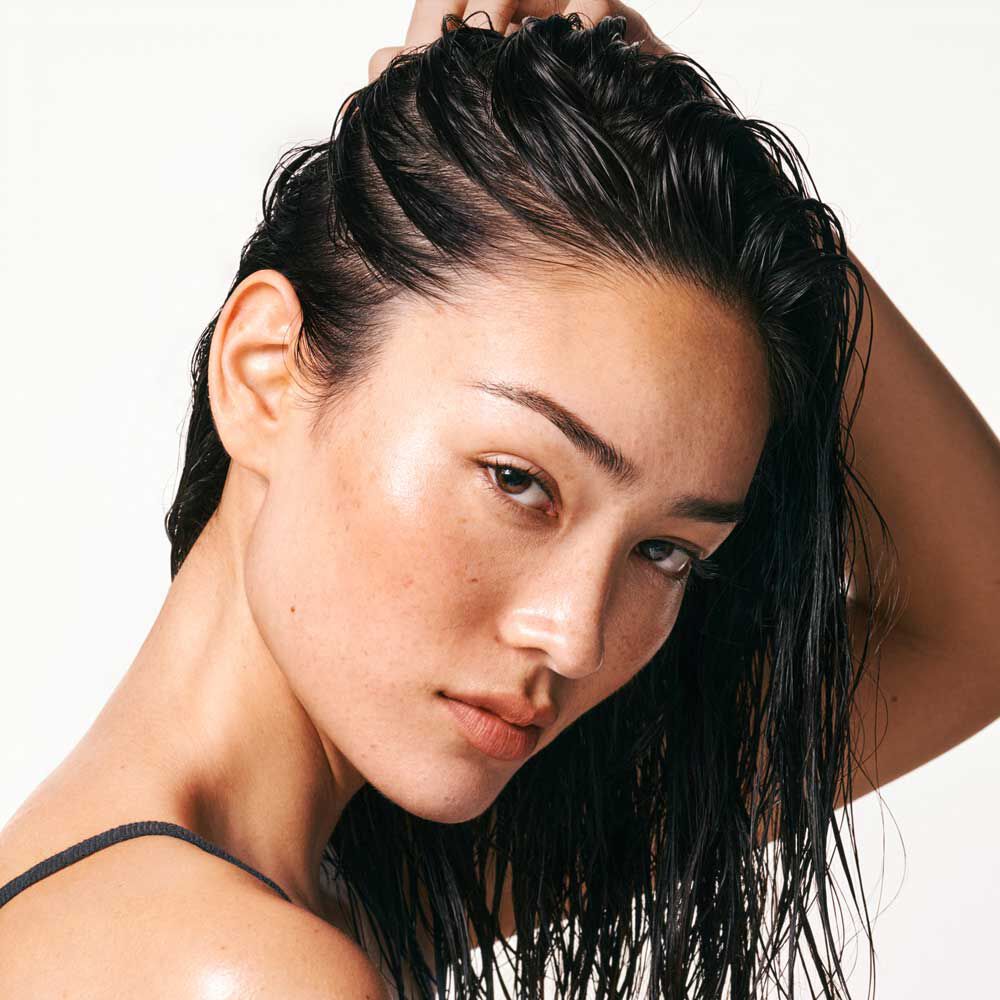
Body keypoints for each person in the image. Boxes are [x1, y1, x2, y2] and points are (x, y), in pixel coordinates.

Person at [1, 4, 997, 998]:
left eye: (665, 551)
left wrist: (698, 158)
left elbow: (977, 630)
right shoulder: (243, 969)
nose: (575, 638)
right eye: (518, 481)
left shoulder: (302, 889)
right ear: (266, 375)